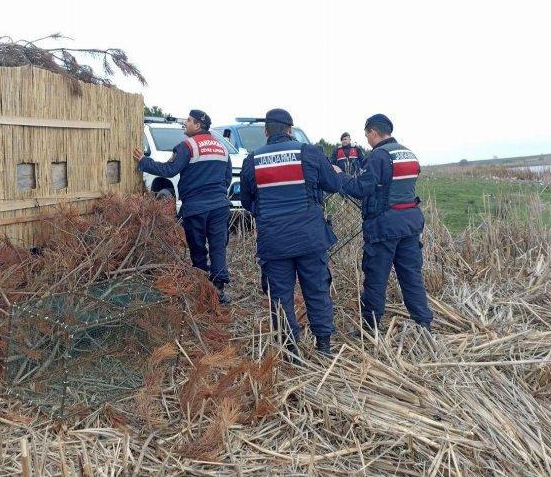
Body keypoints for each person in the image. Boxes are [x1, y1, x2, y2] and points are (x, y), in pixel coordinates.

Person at [240, 108, 341, 357]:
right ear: (290, 129)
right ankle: (324, 346)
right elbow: (334, 185)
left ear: (266, 131)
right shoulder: (309, 152)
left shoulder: (252, 160)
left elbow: (245, 201)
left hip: (274, 241)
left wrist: (265, 213)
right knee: (316, 289)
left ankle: (291, 349)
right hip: (310, 237)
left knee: (280, 296)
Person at [334, 114, 433, 335]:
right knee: (411, 277)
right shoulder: (408, 153)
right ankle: (424, 324)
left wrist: (340, 176)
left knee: (376, 278)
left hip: (384, 227)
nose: (366, 139)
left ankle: (370, 328)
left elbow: (361, 188)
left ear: (372, 132)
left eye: (366, 134)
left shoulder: (379, 156)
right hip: (410, 224)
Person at [133, 109, 233, 304]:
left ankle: (202, 289)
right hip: (220, 206)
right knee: (218, 247)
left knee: (197, 249)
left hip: (196, 207)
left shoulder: (187, 146)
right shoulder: (222, 148)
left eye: (189, 120)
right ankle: (219, 291)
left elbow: (169, 170)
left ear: (197, 125)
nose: (185, 123)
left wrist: (144, 162)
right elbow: (227, 177)